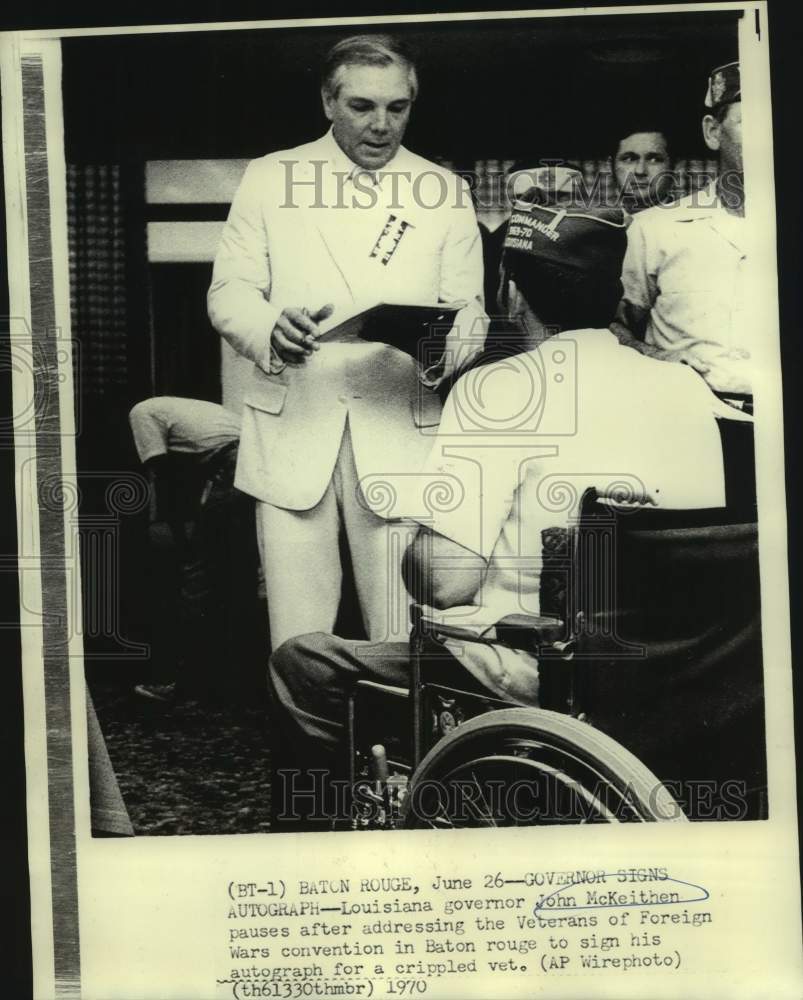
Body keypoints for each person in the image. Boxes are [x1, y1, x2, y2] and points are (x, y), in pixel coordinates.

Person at [267, 166, 752, 830]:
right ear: (614, 296)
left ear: (511, 293)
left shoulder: (499, 390)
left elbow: (445, 585)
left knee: (303, 662)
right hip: (683, 674)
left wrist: (421, 526)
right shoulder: (689, 389)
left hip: (543, 671)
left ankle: (326, 845)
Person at [207, 34, 486, 649]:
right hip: (292, 429)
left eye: (397, 107)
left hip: (399, 431)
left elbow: (469, 310)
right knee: (296, 641)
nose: (381, 125)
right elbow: (228, 293)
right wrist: (269, 328)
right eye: (362, 106)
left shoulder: (444, 190)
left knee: (402, 641)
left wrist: (452, 342)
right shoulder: (271, 177)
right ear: (328, 102)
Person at [611, 61, 751, 397]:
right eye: (751, 122)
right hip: (688, 412)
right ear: (713, 132)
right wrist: (659, 357)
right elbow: (612, 329)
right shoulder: (653, 229)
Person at [128, 397, 264, 703]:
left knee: (198, 577)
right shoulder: (178, 409)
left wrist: (180, 538)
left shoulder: (140, 413)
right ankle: (241, 683)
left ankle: (185, 684)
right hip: (259, 457)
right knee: (238, 571)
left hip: (234, 464)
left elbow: (162, 474)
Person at [610, 126, 674, 215]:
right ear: (611, 166)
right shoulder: (595, 222)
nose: (640, 171)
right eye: (629, 159)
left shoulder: (690, 221)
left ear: (675, 167)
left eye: (654, 160)